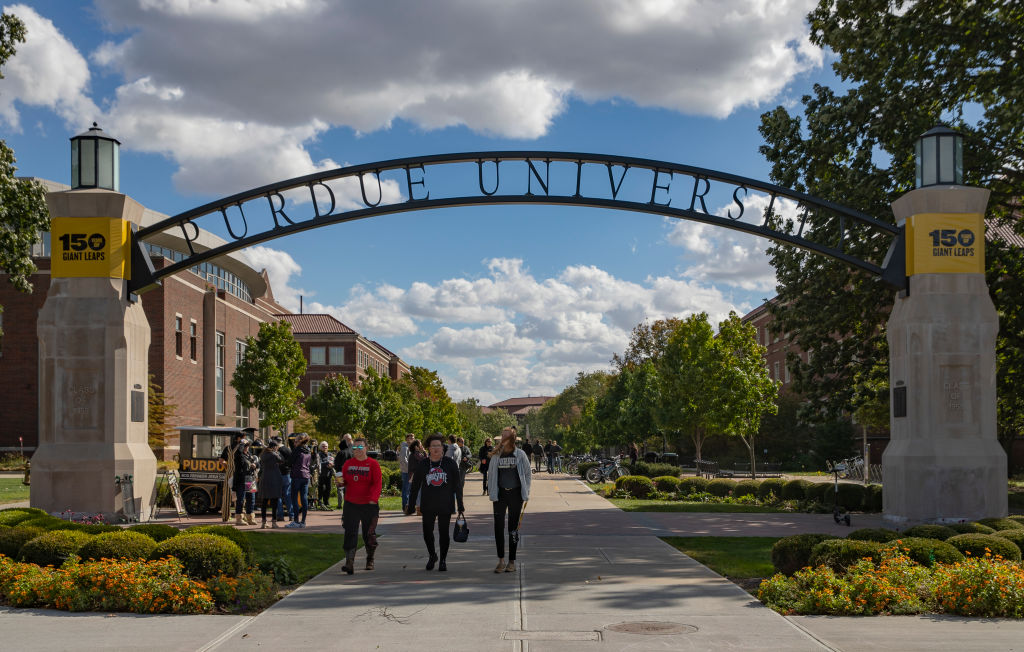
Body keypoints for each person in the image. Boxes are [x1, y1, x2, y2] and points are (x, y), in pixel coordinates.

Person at [405, 433, 465, 571]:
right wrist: (412, 505)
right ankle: (432, 555)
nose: (436, 448)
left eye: (438, 445)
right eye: (433, 446)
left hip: (445, 503)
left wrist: (460, 504)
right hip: (428, 504)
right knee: (427, 533)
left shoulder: (450, 464)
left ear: (443, 448)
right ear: (429, 448)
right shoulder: (424, 464)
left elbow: (457, 485)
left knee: (444, 533)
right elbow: (415, 486)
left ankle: (443, 559)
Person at [487, 427, 531, 573]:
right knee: (498, 528)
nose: (503, 439)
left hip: (515, 495)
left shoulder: (520, 454)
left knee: (513, 529)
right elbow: (491, 475)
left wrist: (526, 492)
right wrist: (492, 491)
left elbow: (527, 474)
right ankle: (501, 560)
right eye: (502, 436)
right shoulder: (496, 456)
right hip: (500, 496)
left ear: (512, 439)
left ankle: (511, 561)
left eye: (506, 436)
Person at [338, 436, 383, 574]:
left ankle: (370, 559)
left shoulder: (373, 464)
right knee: (350, 532)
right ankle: (349, 562)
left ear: (366, 448)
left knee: (368, 534)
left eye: (360, 447)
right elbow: (344, 481)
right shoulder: (348, 464)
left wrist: (373, 499)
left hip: (369, 505)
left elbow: (377, 483)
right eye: (355, 447)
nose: (357, 450)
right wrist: (340, 483)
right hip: (351, 504)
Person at [257, 440, 284, 528]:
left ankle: (264, 522)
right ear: (274, 447)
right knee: (274, 501)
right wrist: (277, 453)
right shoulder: (274, 454)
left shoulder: (263, 455)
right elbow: (281, 460)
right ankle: (274, 521)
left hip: (265, 478)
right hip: (274, 478)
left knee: (264, 501)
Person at [287, 433, 312, 528]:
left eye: (296, 441)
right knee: (304, 498)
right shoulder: (308, 450)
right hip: (306, 476)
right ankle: (303, 521)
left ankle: (296, 521)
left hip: (297, 475)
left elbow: (290, 462)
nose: (294, 443)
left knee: (294, 498)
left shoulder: (297, 450)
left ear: (299, 441)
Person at [233, 438, 258, 526]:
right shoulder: (238, 455)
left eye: (247, 446)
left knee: (252, 499)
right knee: (241, 499)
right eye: (245, 446)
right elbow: (241, 461)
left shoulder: (249, 454)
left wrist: (255, 464)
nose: (246, 448)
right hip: (241, 479)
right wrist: (242, 443)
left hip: (250, 479)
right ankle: (239, 519)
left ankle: (250, 517)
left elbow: (256, 463)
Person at [333, 433, 354, 510]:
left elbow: (336, 463)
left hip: (340, 472)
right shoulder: (352, 450)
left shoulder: (341, 452)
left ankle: (339, 504)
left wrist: (336, 468)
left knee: (340, 489)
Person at [407, 439, 426, 515]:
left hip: (415, 475)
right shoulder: (416, 454)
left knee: (414, 492)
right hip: (416, 475)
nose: (421, 446)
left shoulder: (415, 453)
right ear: (416, 447)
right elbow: (425, 460)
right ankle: (418, 509)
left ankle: (409, 508)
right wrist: (424, 451)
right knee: (418, 492)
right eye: (420, 445)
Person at [276, 435, 293, 521]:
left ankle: (280, 515)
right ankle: (291, 515)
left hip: (279, 474)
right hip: (288, 474)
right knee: (288, 495)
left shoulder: (277, 450)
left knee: (278, 495)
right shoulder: (288, 449)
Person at [317, 441, 334, 510]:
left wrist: (332, 465)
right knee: (321, 488)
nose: (325, 447)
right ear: (320, 447)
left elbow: (333, 461)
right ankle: (320, 501)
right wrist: (327, 463)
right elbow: (319, 463)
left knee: (328, 488)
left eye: (326, 446)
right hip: (321, 474)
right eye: (323, 446)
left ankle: (326, 501)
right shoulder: (319, 454)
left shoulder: (330, 454)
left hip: (329, 474)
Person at [399, 433, 414, 512]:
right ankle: (405, 506)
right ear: (407, 439)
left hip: (410, 472)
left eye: (413, 437)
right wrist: (410, 468)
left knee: (409, 490)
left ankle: (408, 506)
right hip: (406, 472)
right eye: (410, 437)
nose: (412, 438)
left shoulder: (411, 448)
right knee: (406, 490)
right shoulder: (404, 448)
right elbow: (403, 460)